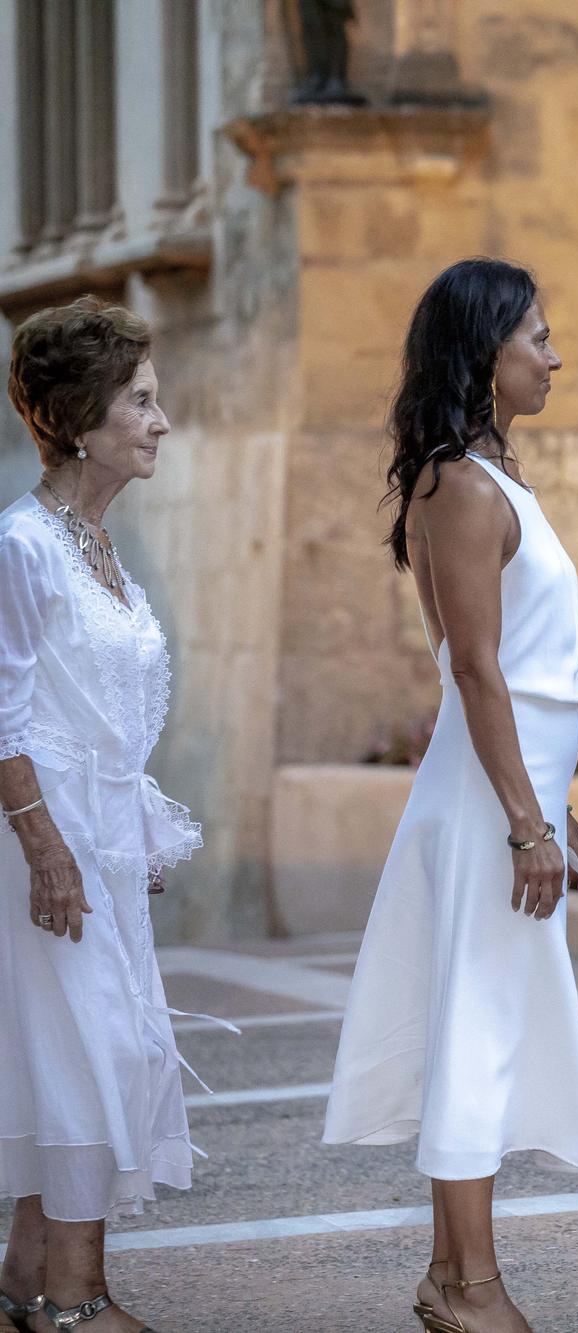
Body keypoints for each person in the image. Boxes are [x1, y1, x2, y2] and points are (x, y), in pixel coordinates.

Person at [322, 258, 578, 1333]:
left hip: (507, 787)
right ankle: (473, 1285)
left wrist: (551, 803)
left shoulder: (487, 480)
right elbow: (474, 667)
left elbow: (508, 671)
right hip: (487, 803)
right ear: (482, 353)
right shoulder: (458, 486)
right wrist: (523, 819)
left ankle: (451, 1278)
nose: (554, 354)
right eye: (535, 335)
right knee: (476, 1028)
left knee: (483, 1024)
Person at [0, 297, 205, 1333]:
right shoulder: (24, 545)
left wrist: (136, 833)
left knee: (84, 1046)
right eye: (141, 399)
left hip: (100, 838)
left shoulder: (97, 545)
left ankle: (24, 1280)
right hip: (47, 841)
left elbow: (111, 710)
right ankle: (75, 1303)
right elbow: (0, 709)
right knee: (85, 1051)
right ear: (83, 417)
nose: (161, 419)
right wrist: (47, 847)